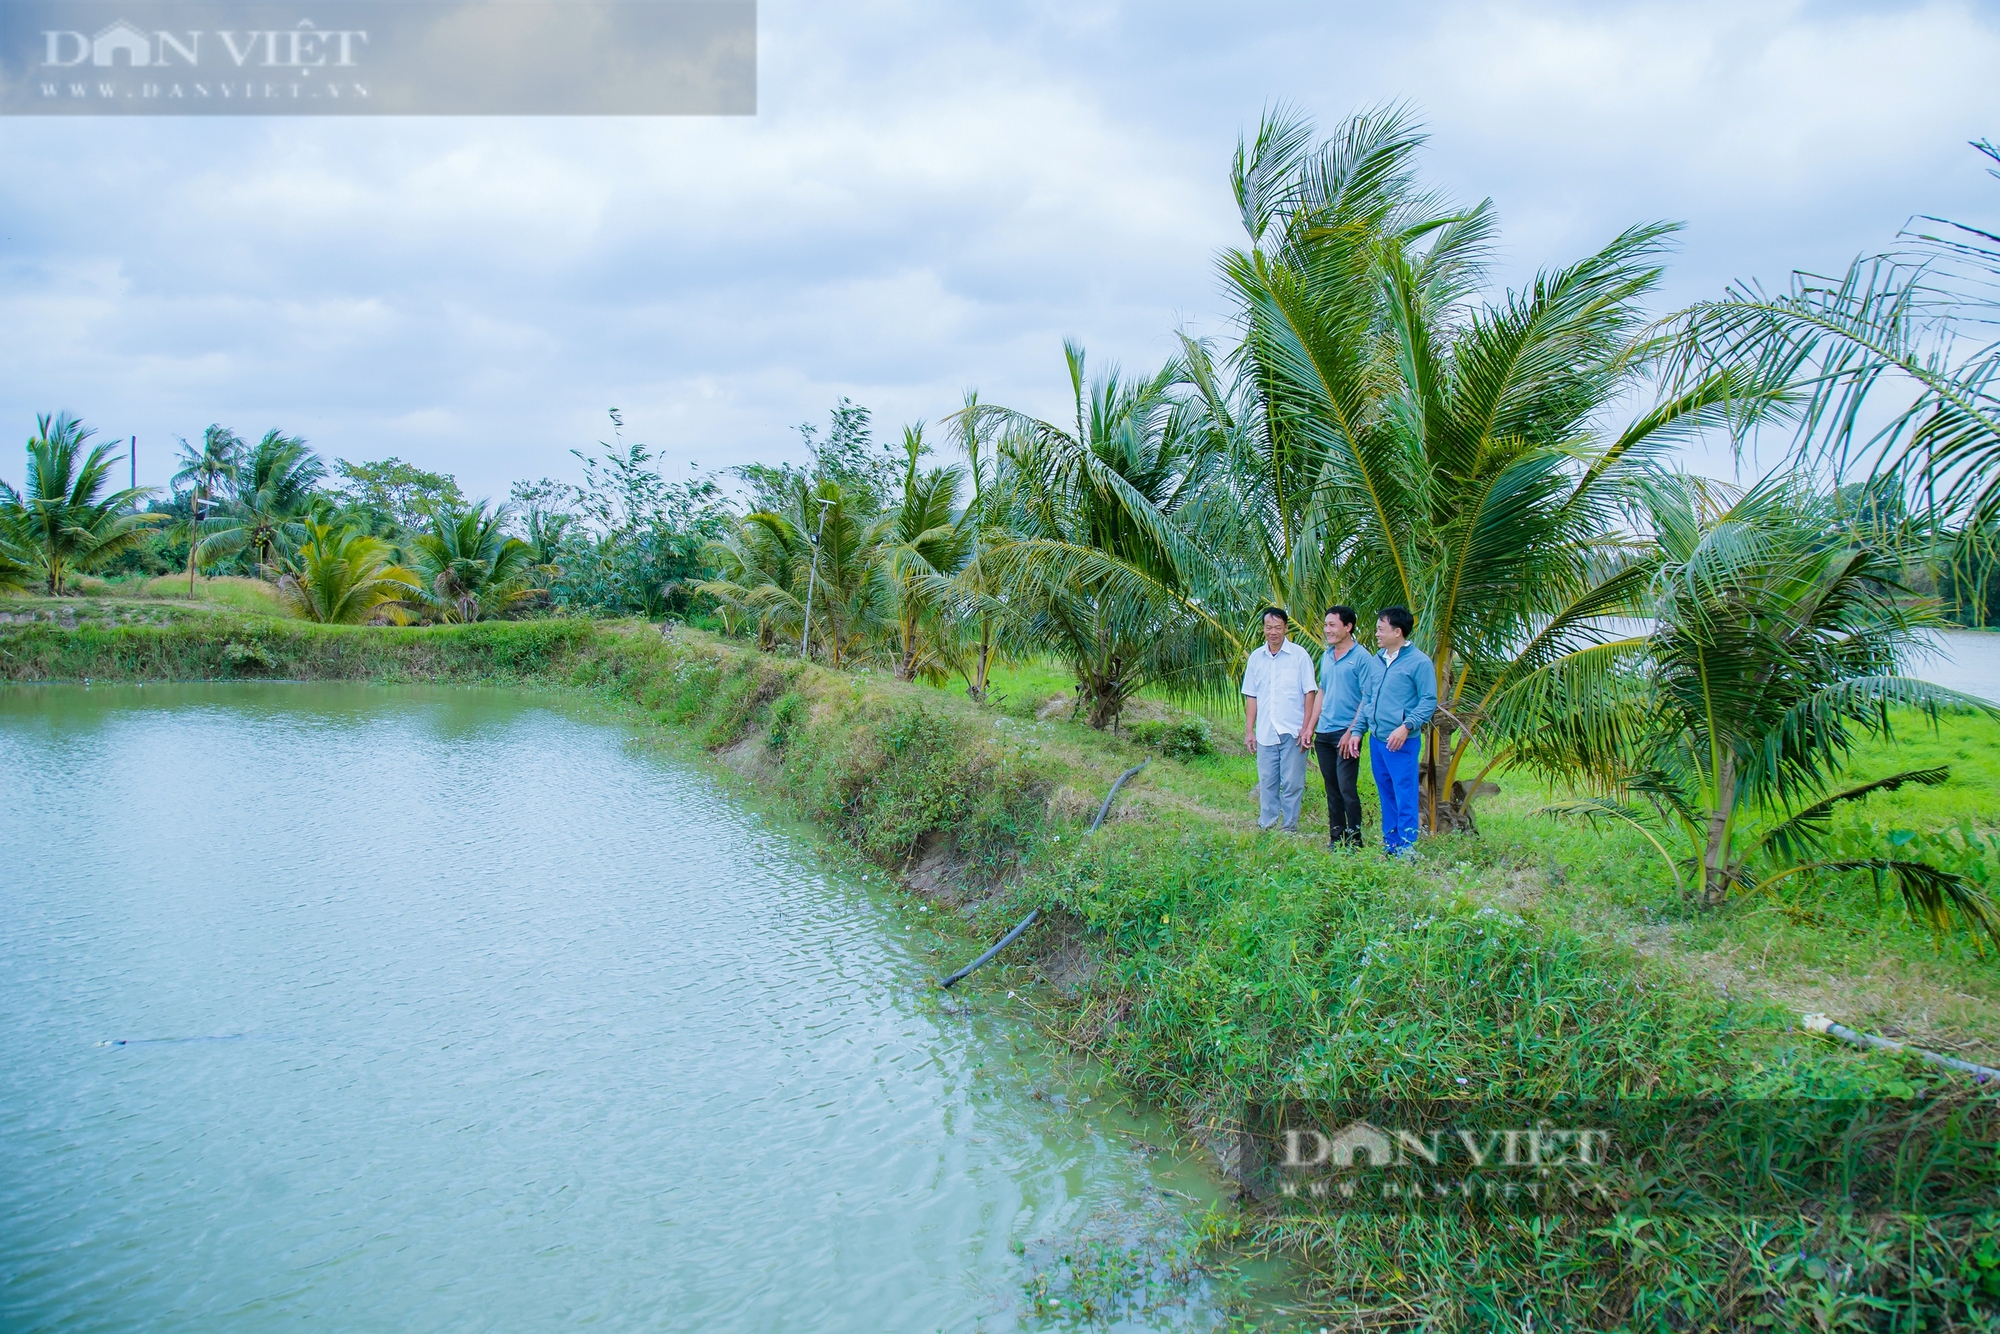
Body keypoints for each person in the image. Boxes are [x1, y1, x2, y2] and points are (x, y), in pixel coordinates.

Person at [1359, 605, 1436, 856]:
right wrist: (1365, 726)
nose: (1377, 634)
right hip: (1378, 740)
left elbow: (1428, 700)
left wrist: (1406, 726)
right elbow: (1368, 695)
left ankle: (1407, 848)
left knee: (1405, 795)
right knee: (1387, 793)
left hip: (1401, 741)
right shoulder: (1376, 660)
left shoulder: (1419, 662)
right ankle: (1390, 844)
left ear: (1398, 632)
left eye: (1381, 629)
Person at [1240, 606, 1318, 833]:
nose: (1273, 632)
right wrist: (1249, 731)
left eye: (1278, 627)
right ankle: (1267, 824)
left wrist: (1306, 729)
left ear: (1285, 628)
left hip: (1293, 731)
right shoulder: (1256, 658)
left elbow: (1309, 693)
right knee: (1267, 782)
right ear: (1263, 629)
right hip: (1265, 732)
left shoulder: (1299, 656)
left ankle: (1289, 827)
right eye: (1268, 627)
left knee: (1293, 783)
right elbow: (1251, 696)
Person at [1309, 605, 1380, 849]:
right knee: (1331, 789)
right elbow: (1323, 691)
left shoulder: (1362, 658)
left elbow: (1366, 697)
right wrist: (1311, 726)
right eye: (1326, 625)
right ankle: (1336, 837)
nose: (1327, 630)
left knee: (1347, 787)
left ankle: (1355, 839)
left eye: (1332, 625)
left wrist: (1352, 732)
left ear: (1348, 627)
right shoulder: (1327, 656)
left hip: (1346, 734)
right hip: (1324, 733)